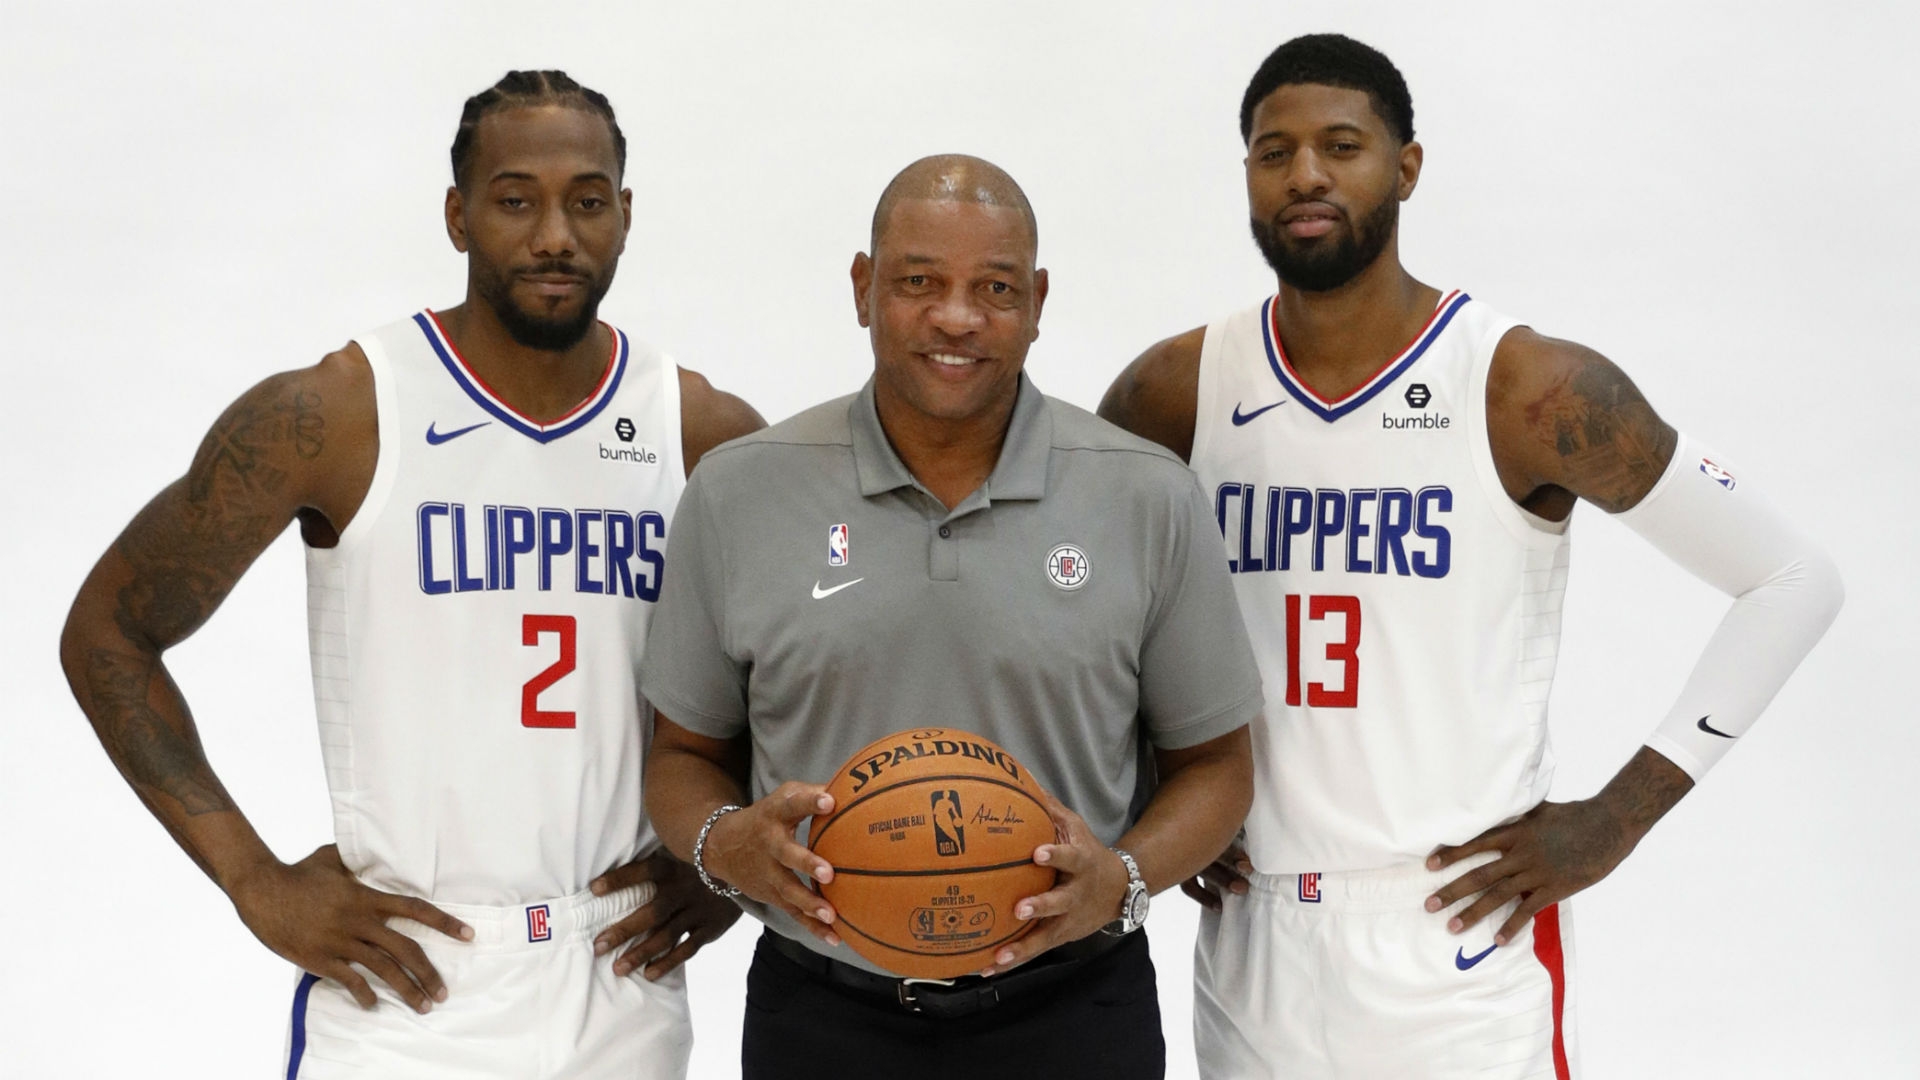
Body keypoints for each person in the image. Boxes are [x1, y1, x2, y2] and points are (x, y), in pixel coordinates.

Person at [1099, 34, 1844, 1080]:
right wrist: (1155, 792)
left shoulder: (1529, 387)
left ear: (1405, 167)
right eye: (1274, 152)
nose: (1305, 174)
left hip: (1456, 933)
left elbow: (1792, 581)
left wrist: (1615, 821)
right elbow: (1092, 622)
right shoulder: (1175, 388)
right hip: (1254, 937)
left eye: (1341, 145)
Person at [58, 70, 760, 1079]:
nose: (555, 232)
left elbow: (815, 664)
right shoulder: (339, 413)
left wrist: (724, 856)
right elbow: (108, 631)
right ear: (458, 214)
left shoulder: (697, 429)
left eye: (587, 200)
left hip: (617, 976)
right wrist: (253, 879)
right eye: (516, 198)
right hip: (404, 980)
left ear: (626, 215)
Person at [637, 154, 1263, 1080]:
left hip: (1076, 1008)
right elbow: (682, 755)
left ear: (1040, 300)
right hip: (820, 1011)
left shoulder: (1146, 495)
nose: (957, 317)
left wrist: (1120, 880)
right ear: (862, 287)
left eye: (996, 287)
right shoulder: (741, 490)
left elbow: (1217, 768)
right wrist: (719, 842)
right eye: (919, 282)